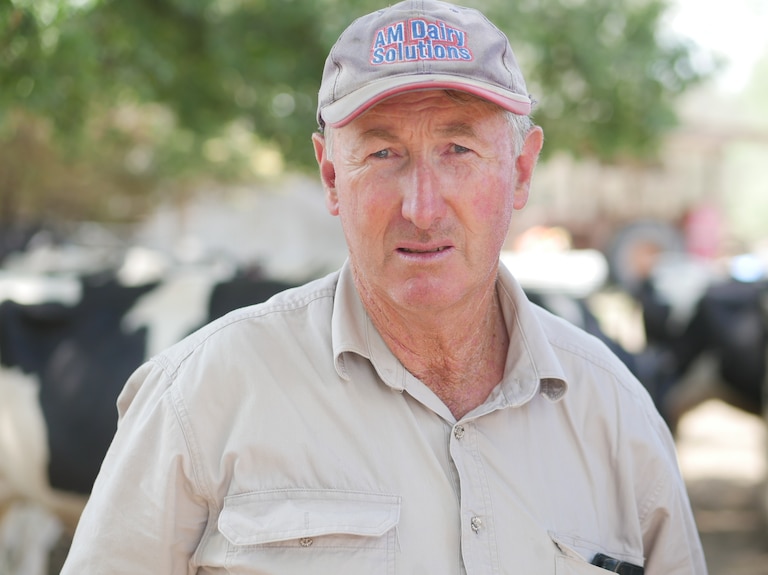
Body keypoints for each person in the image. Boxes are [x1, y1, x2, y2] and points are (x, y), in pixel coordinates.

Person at [60, 1, 707, 573]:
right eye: (382, 153)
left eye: (458, 148)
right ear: (331, 177)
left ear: (519, 171)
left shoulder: (617, 416)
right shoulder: (201, 398)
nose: (423, 207)